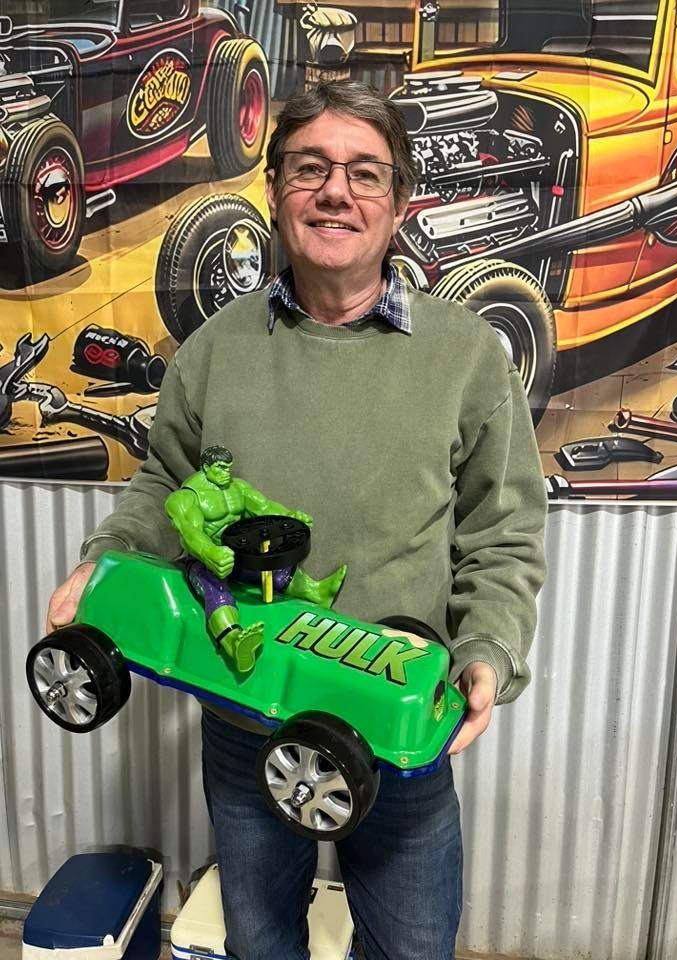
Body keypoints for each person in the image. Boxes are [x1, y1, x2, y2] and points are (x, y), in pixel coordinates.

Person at [46, 80, 547, 960]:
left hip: (393, 727)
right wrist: (109, 559)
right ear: (274, 191)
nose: (335, 192)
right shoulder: (215, 350)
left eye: (364, 172)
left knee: (413, 948)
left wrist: (488, 648)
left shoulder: (468, 356)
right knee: (260, 941)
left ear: (399, 204)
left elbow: (502, 530)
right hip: (249, 725)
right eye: (310, 167)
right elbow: (166, 479)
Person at [165, 443, 346, 671]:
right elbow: (190, 533)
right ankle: (233, 642)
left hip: (239, 555)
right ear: (206, 467)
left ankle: (317, 593)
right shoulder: (186, 497)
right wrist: (210, 553)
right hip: (204, 560)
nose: (226, 473)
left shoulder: (237, 488)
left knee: (274, 568)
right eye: (220, 468)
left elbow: (264, 507)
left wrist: (290, 518)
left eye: (228, 467)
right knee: (215, 590)